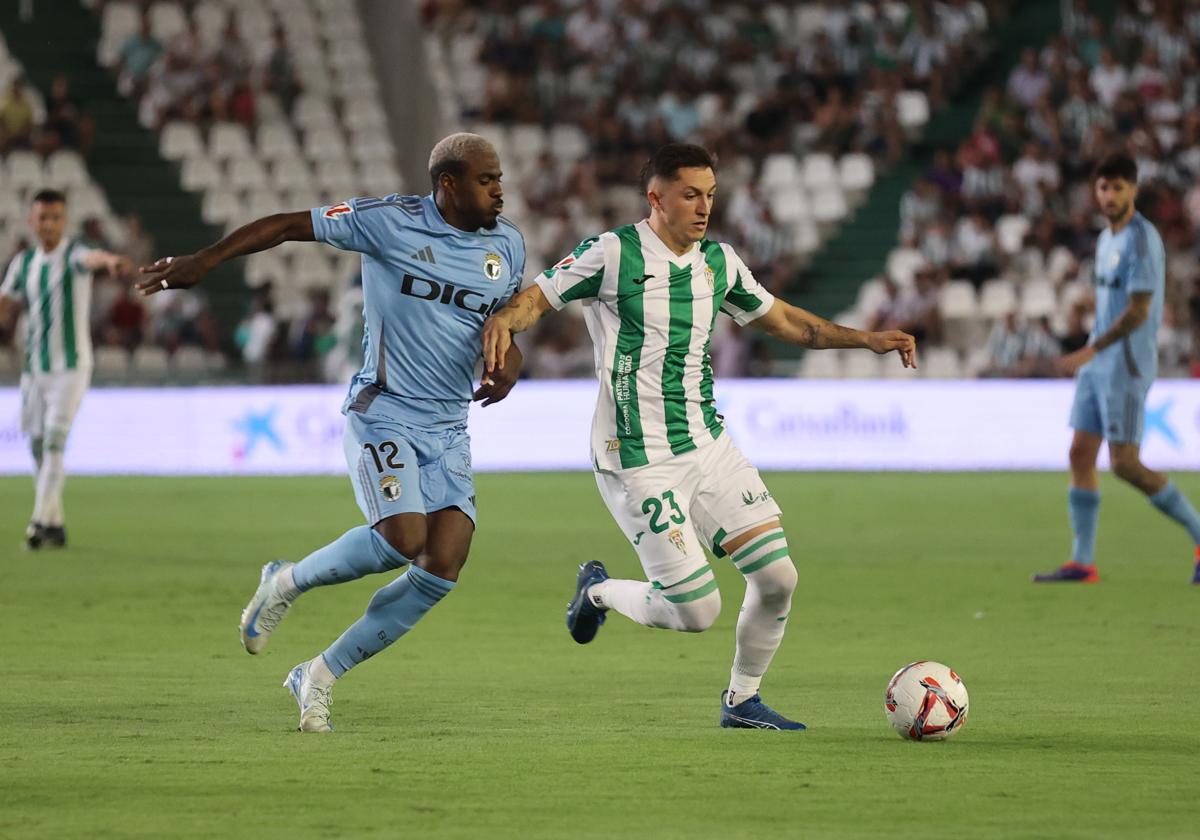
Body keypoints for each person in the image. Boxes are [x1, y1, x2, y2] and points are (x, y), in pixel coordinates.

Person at [481, 144, 916, 730]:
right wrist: (506, 323)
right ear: (655, 198)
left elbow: (790, 323)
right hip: (637, 459)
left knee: (778, 578)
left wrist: (867, 339)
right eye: (690, 194)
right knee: (695, 611)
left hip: (709, 446)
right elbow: (537, 298)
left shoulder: (720, 263)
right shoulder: (613, 254)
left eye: (710, 194)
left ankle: (741, 702)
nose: (704, 206)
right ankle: (600, 592)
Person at [135, 133, 525, 731]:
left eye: (498, 178)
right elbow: (288, 225)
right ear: (448, 184)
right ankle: (286, 581)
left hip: (449, 426)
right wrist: (205, 261)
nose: (499, 189)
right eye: (486, 180)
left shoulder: (509, 245)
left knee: (444, 563)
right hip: (384, 408)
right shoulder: (388, 222)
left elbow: (506, 332)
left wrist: (507, 371)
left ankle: (317, 674)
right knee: (401, 535)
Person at [1035, 153, 1200, 584]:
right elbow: (1112, 304)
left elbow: (1138, 313)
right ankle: (1082, 562)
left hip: (1125, 364)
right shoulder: (1107, 238)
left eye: (1118, 187)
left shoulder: (1142, 240)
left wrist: (1091, 350)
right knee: (1079, 454)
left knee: (1125, 464)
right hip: (1098, 362)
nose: (1109, 195)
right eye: (1103, 187)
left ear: (1134, 189)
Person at [0, 190, 129, 548]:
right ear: (31, 221)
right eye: (43, 217)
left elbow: (94, 258)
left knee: (55, 442)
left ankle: (38, 522)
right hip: (34, 370)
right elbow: (5, 302)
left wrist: (111, 261)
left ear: (65, 221)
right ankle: (55, 522)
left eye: (56, 217)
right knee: (38, 446)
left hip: (71, 367)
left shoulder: (73, 255)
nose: (49, 224)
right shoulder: (23, 264)